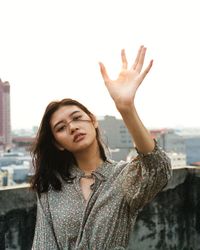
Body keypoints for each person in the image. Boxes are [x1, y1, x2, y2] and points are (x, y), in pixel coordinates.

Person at [30, 45, 172, 250]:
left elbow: (158, 169)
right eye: (61, 128)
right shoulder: (51, 187)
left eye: (77, 118)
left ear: (93, 121)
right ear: (57, 143)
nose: (72, 127)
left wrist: (126, 108)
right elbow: (43, 245)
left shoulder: (123, 177)